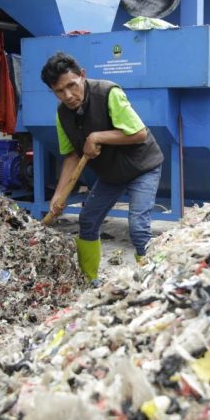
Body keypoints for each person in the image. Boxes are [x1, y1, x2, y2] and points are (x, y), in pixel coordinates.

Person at [40, 52, 164, 285]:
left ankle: (152, 282)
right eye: (59, 91)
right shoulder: (62, 114)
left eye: (72, 86)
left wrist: (97, 136)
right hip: (111, 173)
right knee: (87, 220)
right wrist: (58, 194)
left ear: (83, 75)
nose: (68, 95)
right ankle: (90, 281)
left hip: (142, 167)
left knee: (138, 227)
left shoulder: (108, 93)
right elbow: (71, 156)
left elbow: (139, 133)